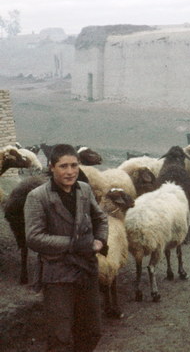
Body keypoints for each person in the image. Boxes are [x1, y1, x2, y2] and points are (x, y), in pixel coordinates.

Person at [24, 144, 108, 352]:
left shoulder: (84, 189)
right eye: (63, 166)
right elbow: (34, 238)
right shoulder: (38, 197)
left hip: (86, 270)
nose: (70, 172)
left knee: (92, 331)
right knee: (60, 337)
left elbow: (100, 218)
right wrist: (74, 244)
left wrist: (99, 241)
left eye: (74, 165)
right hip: (57, 274)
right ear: (51, 167)